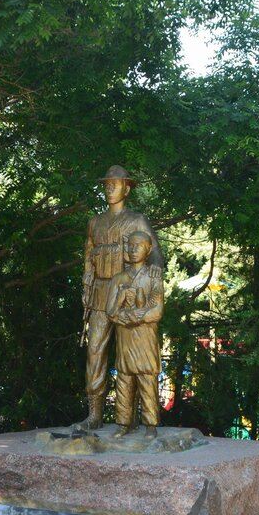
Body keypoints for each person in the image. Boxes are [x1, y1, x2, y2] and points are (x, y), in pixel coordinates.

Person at [78, 165, 163, 430]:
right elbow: (89, 253)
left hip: (130, 295)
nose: (110, 189)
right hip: (101, 294)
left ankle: (133, 419)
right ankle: (95, 413)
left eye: (115, 184)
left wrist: (151, 283)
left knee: (131, 357)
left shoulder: (137, 220)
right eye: (107, 184)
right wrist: (87, 280)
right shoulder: (95, 221)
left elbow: (156, 255)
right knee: (95, 352)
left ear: (126, 188)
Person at [106, 231, 163, 438]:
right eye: (130, 245)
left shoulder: (153, 277)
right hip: (125, 339)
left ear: (148, 250)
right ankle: (123, 423)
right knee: (124, 378)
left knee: (147, 379)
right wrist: (122, 299)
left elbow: (157, 311)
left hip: (146, 338)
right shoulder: (118, 279)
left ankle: (150, 425)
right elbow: (110, 312)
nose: (132, 249)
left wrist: (131, 316)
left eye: (138, 245)